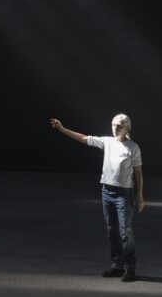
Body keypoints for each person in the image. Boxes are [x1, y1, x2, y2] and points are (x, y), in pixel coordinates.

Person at [49, 114, 144, 282]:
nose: (115, 128)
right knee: (112, 231)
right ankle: (117, 266)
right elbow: (83, 138)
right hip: (106, 192)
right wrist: (62, 129)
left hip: (123, 194)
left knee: (126, 232)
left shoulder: (132, 147)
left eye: (119, 126)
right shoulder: (107, 142)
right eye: (113, 125)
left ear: (127, 128)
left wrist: (139, 196)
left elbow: (138, 174)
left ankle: (130, 268)